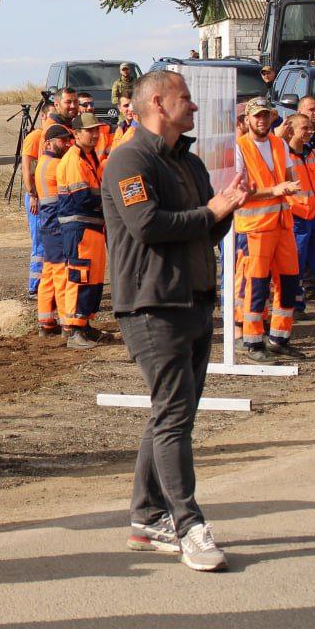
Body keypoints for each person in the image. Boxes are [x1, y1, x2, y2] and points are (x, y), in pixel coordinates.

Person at [102, 69, 248, 572]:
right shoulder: (128, 158)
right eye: (185, 99)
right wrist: (210, 212)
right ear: (158, 104)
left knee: (171, 413)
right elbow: (147, 226)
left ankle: (146, 518)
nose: (194, 107)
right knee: (175, 414)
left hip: (194, 300)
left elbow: (202, 232)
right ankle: (188, 523)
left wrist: (225, 210)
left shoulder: (186, 160)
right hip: (151, 305)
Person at [234, 98, 301, 359]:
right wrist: (276, 190)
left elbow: (289, 174)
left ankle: (279, 338)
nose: (262, 120)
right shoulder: (239, 148)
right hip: (255, 228)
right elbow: (239, 193)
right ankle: (252, 341)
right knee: (256, 284)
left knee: (289, 280)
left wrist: (291, 184)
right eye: (257, 116)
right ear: (247, 120)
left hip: (283, 223)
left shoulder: (278, 143)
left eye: (266, 116)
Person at [57, 112, 112, 349]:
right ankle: (73, 330)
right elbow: (82, 198)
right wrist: (109, 203)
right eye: (90, 131)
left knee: (94, 277)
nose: (95, 134)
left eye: (96, 130)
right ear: (76, 134)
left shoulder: (90, 157)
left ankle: (85, 325)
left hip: (92, 226)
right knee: (80, 277)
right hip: (79, 227)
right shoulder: (73, 160)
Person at [283, 114, 315, 319]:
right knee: (297, 264)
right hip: (296, 217)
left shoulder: (313, 154)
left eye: (310, 128)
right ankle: (297, 306)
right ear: (291, 131)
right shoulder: (284, 156)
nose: (309, 131)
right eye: (305, 128)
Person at [35, 124, 74, 335]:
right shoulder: (57, 165)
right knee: (61, 275)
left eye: (68, 140)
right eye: (62, 140)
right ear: (49, 142)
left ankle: (46, 322)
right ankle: (68, 324)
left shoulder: (43, 162)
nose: (66, 144)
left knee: (48, 273)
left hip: (47, 226)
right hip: (57, 226)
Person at [21, 103, 57, 297]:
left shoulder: (54, 137)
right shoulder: (35, 138)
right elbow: (27, 169)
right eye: (51, 116)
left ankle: (46, 284)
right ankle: (34, 286)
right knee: (39, 242)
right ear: (43, 117)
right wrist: (33, 194)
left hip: (49, 197)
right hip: (37, 197)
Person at [78, 91, 113, 160]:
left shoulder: (106, 126)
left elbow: (114, 147)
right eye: (85, 105)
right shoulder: (71, 126)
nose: (90, 107)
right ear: (77, 106)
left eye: (91, 104)